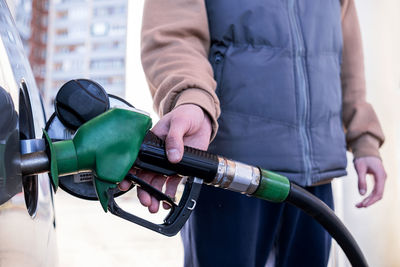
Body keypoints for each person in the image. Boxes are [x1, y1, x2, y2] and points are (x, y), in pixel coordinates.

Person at [120, 0, 387, 266]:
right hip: (229, 173)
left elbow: (344, 53)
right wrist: (192, 101)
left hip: (314, 178)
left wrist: (364, 137)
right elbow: (172, 35)